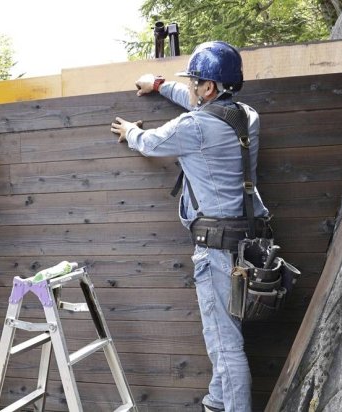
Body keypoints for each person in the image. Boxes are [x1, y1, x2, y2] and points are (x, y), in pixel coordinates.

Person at [110, 41, 270, 412]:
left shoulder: (193, 127)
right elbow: (203, 107)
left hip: (215, 249)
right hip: (247, 243)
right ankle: (217, 403)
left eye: (196, 82)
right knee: (227, 334)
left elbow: (150, 142)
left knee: (225, 345)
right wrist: (162, 84)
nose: (193, 88)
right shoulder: (248, 116)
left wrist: (131, 131)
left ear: (210, 87)